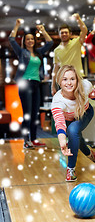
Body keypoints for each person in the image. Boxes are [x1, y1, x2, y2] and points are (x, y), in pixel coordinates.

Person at [51, 65, 95, 181]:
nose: (69, 83)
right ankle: (90, 154)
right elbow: (59, 123)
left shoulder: (85, 85)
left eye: (72, 79)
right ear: (59, 81)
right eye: (65, 79)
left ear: (77, 80)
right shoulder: (57, 101)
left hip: (86, 113)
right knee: (77, 139)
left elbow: (93, 94)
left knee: (73, 131)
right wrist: (63, 142)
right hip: (69, 119)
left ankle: (71, 169)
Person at [9, 19, 53, 149]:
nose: (30, 41)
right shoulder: (22, 52)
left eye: (32, 39)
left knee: (35, 114)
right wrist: (17, 25)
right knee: (27, 113)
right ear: (24, 41)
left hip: (36, 84)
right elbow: (11, 40)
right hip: (25, 84)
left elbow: (50, 42)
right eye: (27, 39)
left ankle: (33, 139)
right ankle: (26, 141)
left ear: (34, 41)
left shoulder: (39, 53)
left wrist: (43, 31)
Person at [51, 13, 88, 95]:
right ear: (59, 35)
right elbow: (55, 68)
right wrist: (52, 85)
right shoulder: (56, 50)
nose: (64, 34)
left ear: (70, 34)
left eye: (66, 32)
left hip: (79, 78)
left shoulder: (76, 42)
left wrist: (78, 19)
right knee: (68, 105)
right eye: (62, 33)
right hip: (65, 82)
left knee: (83, 104)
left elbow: (84, 30)